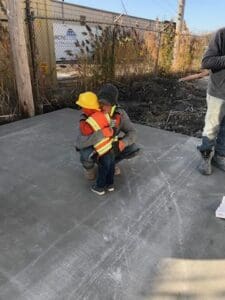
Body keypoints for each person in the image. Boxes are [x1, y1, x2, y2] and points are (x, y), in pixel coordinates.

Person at [76, 83, 140, 180]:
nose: (103, 107)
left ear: (113, 104)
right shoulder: (88, 114)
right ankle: (89, 169)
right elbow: (79, 143)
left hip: (109, 146)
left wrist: (123, 142)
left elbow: (133, 132)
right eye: (101, 103)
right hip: (94, 148)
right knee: (85, 153)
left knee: (133, 148)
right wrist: (101, 134)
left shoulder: (120, 114)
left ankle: (110, 164)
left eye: (107, 104)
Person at [197, 27, 225, 175]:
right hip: (219, 93)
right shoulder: (221, 34)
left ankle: (219, 156)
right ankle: (206, 157)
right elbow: (206, 62)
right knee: (212, 128)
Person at [76, 91, 116, 195]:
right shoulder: (104, 113)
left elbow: (85, 130)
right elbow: (112, 124)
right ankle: (110, 185)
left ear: (89, 108)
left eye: (83, 108)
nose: (82, 110)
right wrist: (110, 130)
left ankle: (99, 187)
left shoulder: (92, 119)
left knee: (103, 169)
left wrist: (82, 121)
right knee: (111, 167)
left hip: (103, 151)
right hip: (110, 147)